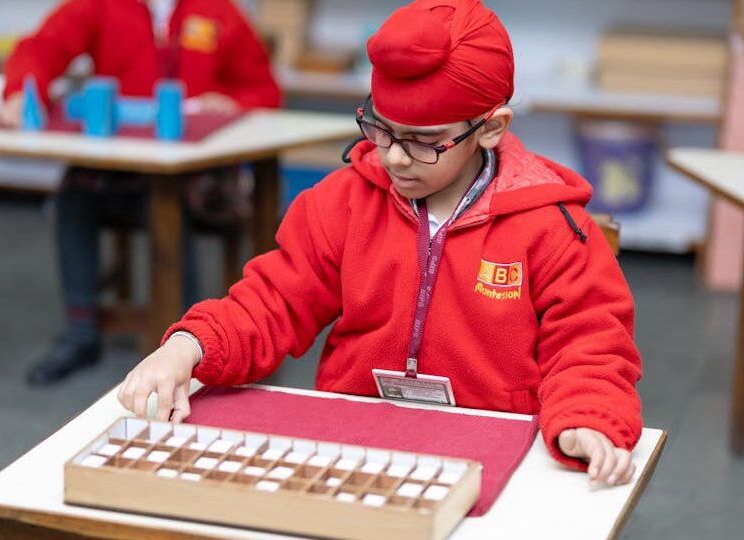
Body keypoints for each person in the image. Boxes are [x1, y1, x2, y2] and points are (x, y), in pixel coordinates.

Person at [117, 0, 643, 487]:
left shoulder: (550, 225)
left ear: (491, 128)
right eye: (381, 130)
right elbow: (274, 301)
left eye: (422, 142)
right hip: (353, 443)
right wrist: (189, 346)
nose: (393, 158)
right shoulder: (343, 204)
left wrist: (585, 417)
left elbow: (589, 343)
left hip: (492, 450)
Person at [0, 0, 281, 385]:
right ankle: (81, 331)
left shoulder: (220, 11)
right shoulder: (97, 6)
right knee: (73, 196)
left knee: (165, 202)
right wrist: (20, 90)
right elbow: (42, 47)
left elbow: (264, 90)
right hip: (116, 166)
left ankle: (190, 339)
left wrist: (233, 104)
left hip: (196, 174)